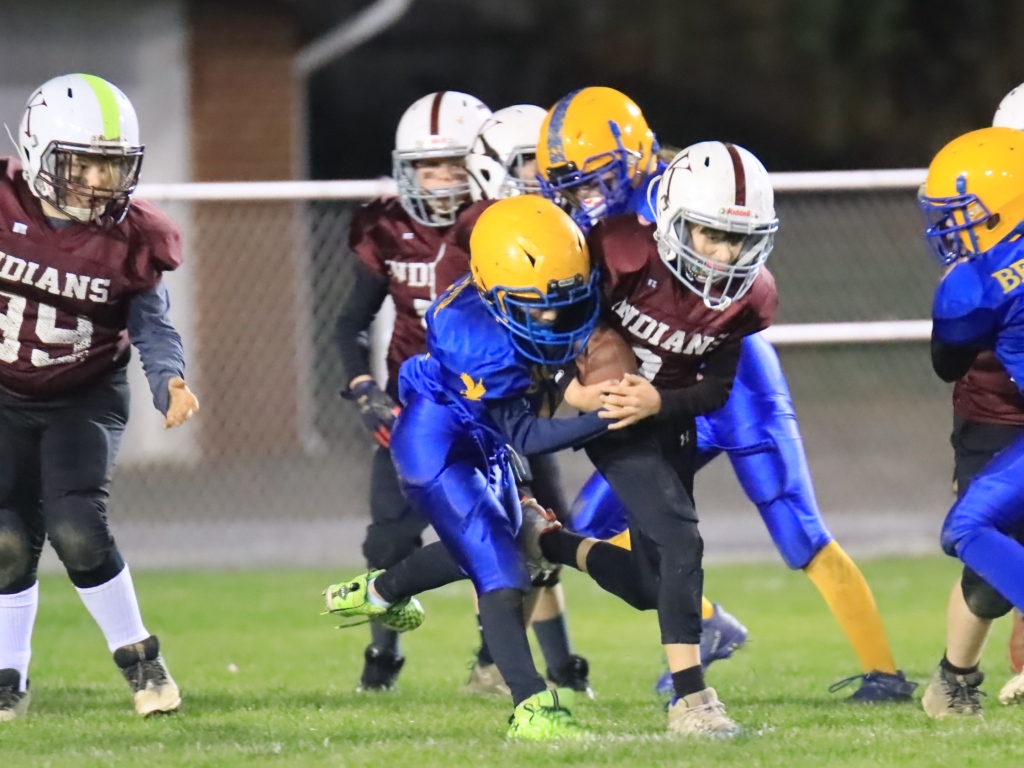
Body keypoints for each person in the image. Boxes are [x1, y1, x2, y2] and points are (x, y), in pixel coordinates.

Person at [537, 87, 914, 701]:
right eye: (570, 186)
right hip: (655, 389)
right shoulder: (607, 234)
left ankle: (885, 673)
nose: (585, 198)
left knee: (795, 524)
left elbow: (731, 281)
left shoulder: (696, 192)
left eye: (595, 180)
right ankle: (708, 623)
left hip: (731, 382)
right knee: (596, 523)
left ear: (635, 158)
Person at [326, 195, 642, 739]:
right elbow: (527, 433)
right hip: (439, 447)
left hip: (484, 435)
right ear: (496, 291)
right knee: (500, 568)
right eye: (538, 303)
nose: (553, 315)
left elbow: (530, 396)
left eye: (563, 299)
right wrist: (610, 417)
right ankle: (532, 709)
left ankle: (380, 592)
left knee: (490, 547)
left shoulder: (512, 301)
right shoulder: (476, 336)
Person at [0, 74, 199, 720]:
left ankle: (141, 659)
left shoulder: (132, 237)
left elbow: (153, 324)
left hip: (82, 395)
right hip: (3, 394)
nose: (94, 182)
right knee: (3, 537)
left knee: (77, 528)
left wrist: (169, 379)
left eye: (109, 168)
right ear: (37, 151)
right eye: (80, 164)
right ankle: (9, 677)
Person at [335, 90, 491, 692]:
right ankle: (383, 658)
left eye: (454, 165)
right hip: (411, 413)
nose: (442, 181)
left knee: (496, 535)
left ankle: (498, 660)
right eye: (430, 167)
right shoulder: (388, 226)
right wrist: (363, 386)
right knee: (390, 541)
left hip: (485, 410)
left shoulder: (501, 227)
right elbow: (347, 322)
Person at [463, 104, 592, 696]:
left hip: (531, 400)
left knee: (540, 536)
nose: (544, 176)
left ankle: (525, 664)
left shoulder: (555, 228)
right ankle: (502, 666)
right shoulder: (483, 233)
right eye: (529, 165)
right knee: (503, 539)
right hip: (484, 409)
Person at [917, 126, 1024, 717]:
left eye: (962, 214)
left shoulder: (973, 285)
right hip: (994, 418)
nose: (951, 227)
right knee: (986, 569)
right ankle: (953, 680)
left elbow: (946, 358)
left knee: (968, 527)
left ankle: (952, 686)